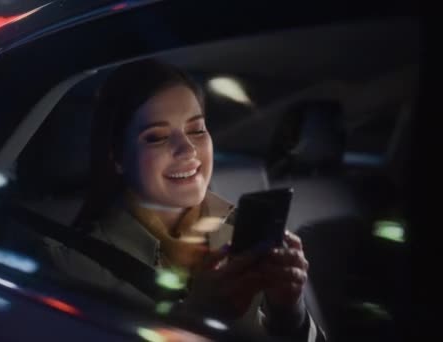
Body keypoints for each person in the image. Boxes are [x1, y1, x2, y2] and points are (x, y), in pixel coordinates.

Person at [48, 59, 324, 341]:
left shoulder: (244, 229)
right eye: (156, 137)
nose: (187, 149)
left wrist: (290, 312)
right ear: (118, 158)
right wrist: (194, 319)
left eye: (196, 130)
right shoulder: (76, 265)